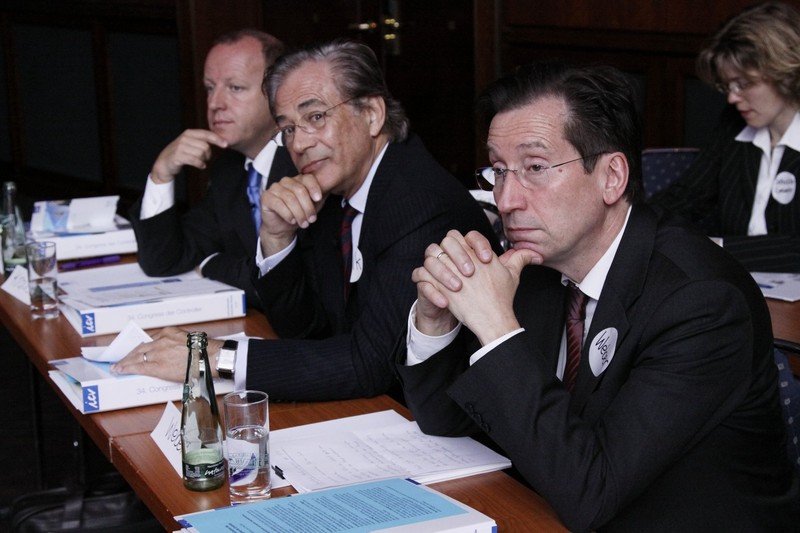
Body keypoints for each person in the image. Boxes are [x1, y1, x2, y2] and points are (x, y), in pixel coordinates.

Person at [395, 61, 799, 531]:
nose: (505, 200)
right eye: (499, 171)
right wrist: (436, 321)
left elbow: (591, 492)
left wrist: (497, 328)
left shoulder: (701, 302)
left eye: (535, 168)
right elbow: (448, 424)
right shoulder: (535, 267)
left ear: (611, 177)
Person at [113, 40, 497, 402]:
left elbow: (369, 364)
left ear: (372, 114)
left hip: (438, 422)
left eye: (315, 117)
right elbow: (304, 329)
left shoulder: (418, 202)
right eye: (288, 129)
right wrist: (276, 238)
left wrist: (214, 357)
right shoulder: (333, 189)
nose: (298, 144)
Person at [129, 29, 296, 307]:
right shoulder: (229, 171)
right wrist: (161, 173)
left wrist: (211, 264)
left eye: (235, 88)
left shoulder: (307, 162)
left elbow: (284, 283)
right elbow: (163, 260)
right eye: (210, 88)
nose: (215, 103)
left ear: (278, 93)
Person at [649, 2, 800, 272]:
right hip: (738, 285)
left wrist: (714, 248)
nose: (732, 97)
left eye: (743, 84)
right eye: (727, 85)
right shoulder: (734, 123)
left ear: (784, 72)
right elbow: (685, 197)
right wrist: (630, 226)